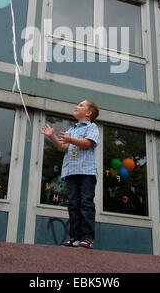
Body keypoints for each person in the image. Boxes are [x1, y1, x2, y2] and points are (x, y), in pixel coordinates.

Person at [41, 99, 100, 249]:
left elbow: (88, 144)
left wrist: (70, 139)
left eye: (80, 105)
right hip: (71, 172)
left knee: (86, 203)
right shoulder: (71, 129)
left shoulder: (92, 127)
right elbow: (63, 147)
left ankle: (87, 237)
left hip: (86, 172)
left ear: (88, 113)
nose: (76, 106)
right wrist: (52, 136)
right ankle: (75, 237)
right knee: (73, 204)